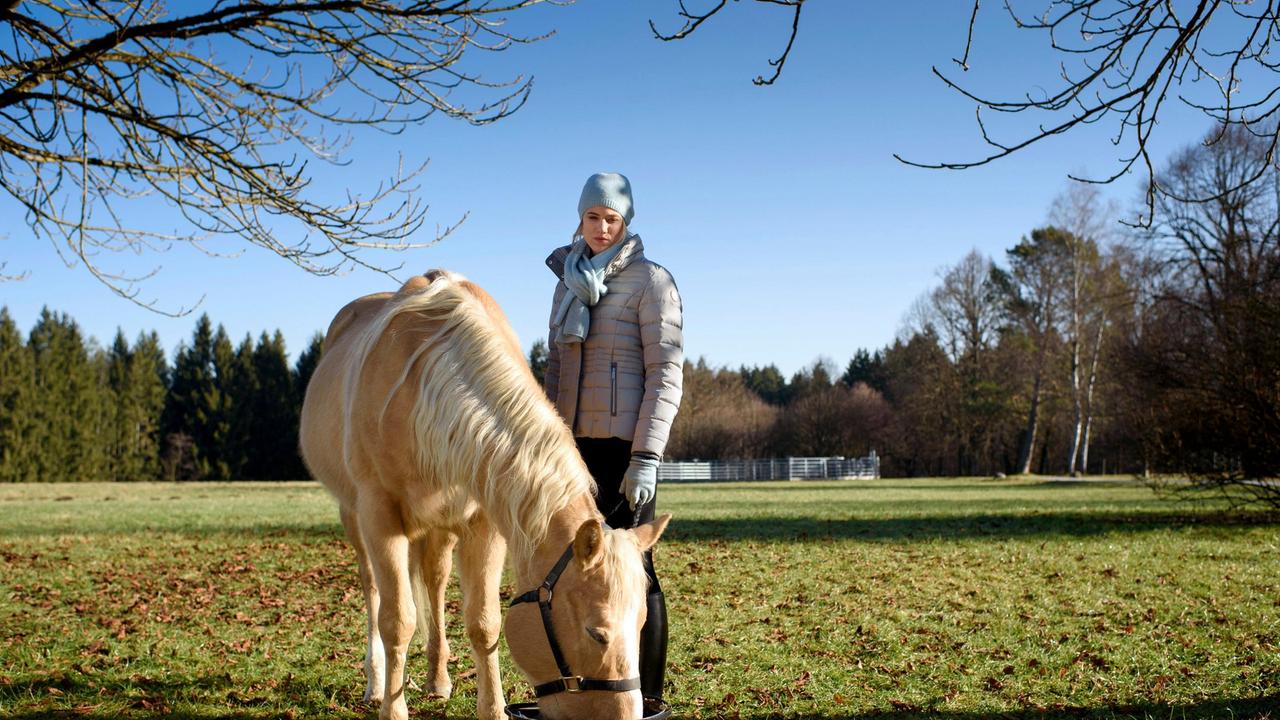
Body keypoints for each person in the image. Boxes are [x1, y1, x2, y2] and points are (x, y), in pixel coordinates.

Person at [543, 171, 684, 703]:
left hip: (625, 452)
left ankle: (645, 698)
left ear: (627, 222)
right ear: (579, 218)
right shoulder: (565, 281)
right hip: (572, 455)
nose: (602, 227)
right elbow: (556, 368)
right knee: (575, 574)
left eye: (612, 218)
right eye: (593, 217)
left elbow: (666, 374)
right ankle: (585, 687)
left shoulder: (653, 282)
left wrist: (646, 456)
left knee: (636, 574)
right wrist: (550, 447)